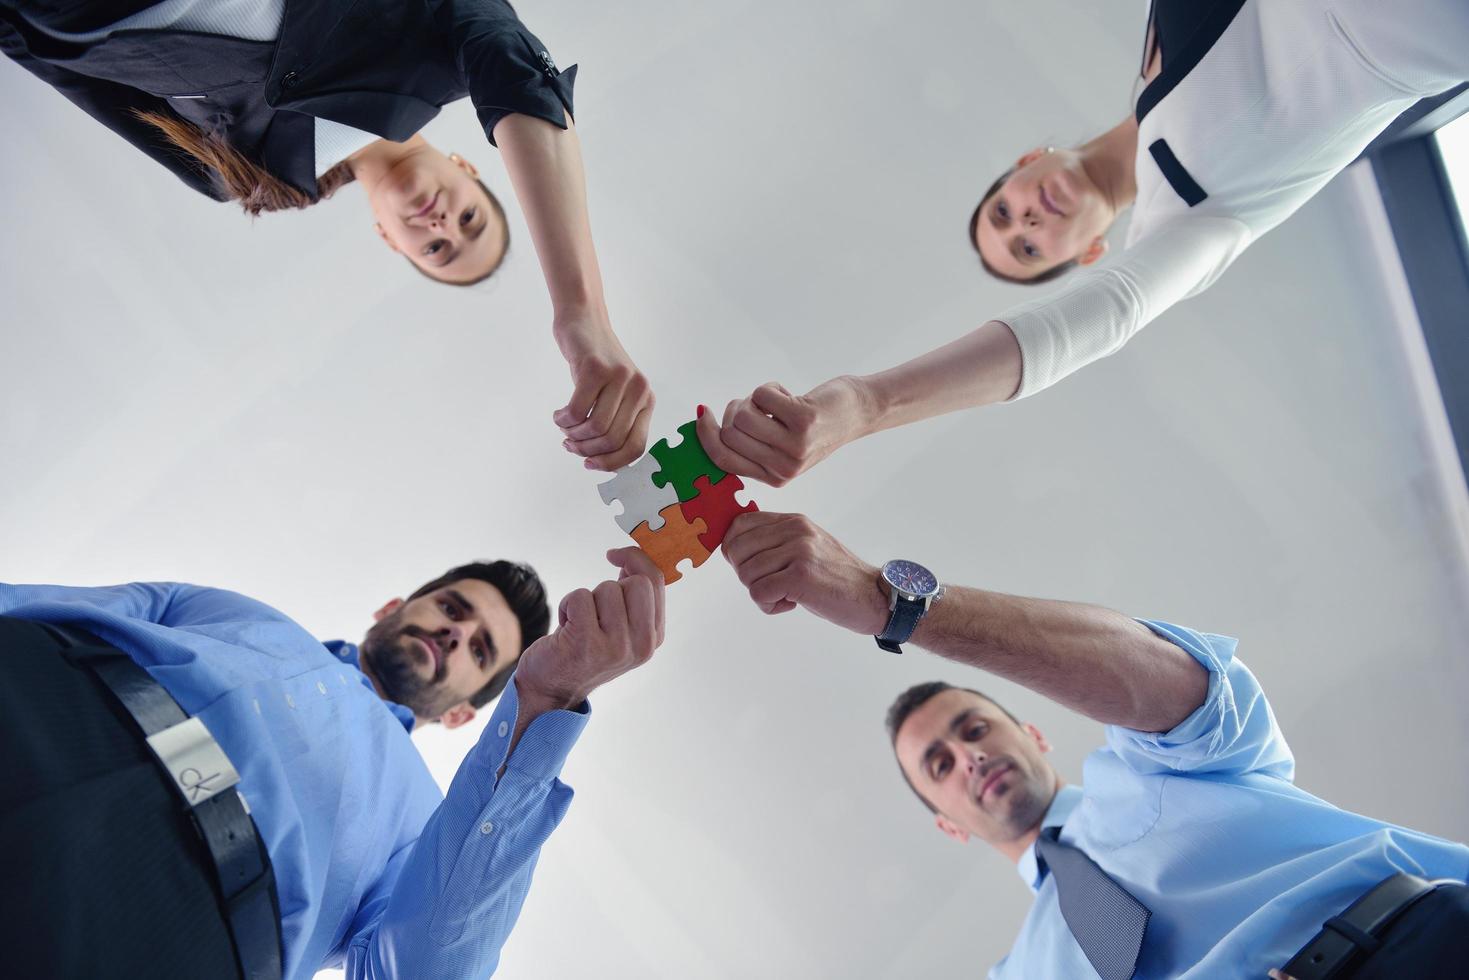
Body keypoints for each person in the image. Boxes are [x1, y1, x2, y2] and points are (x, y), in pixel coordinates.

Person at [695, 0, 1469, 488]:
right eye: (1030, 250)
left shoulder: (1152, 48)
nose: (1025, 222)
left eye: (1004, 211)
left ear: (1030, 161)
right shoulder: (1190, 219)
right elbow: (1099, 321)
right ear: (1091, 253)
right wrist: (865, 404)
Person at [720, 510, 1469, 978]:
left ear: (1033, 733)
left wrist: (895, 608)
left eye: (974, 727)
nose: (969, 756)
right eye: (939, 765)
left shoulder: (1162, 765)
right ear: (947, 824)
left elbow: (1187, 684)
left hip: (1414, 949)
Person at [1, 0, 652, 470]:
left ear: (388, 238)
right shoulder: (442, 44)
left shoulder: (246, 180)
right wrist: (580, 314)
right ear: (467, 167)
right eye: (469, 218)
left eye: (436, 249)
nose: (441, 224)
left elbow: (81, 82)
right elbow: (522, 81)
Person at [0, 547, 667, 979]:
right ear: (393, 607)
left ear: (463, 713)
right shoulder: (231, 609)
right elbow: (29, 601)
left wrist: (543, 700)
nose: (454, 632)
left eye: (480, 649)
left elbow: (420, 970)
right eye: (452, 608)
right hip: (42, 699)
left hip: (168, 928)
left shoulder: (424, 830)